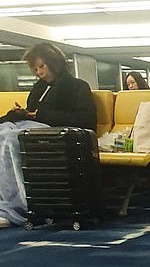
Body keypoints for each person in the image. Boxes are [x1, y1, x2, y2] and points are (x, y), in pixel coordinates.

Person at [0, 42, 97, 227]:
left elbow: (85, 120)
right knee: (3, 132)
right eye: (35, 68)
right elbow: (31, 113)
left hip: (57, 136)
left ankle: (16, 208)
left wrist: (40, 115)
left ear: (54, 62)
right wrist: (16, 115)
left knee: (12, 139)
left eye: (42, 66)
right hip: (33, 130)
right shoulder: (38, 89)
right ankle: (4, 203)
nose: (39, 72)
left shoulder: (77, 87)